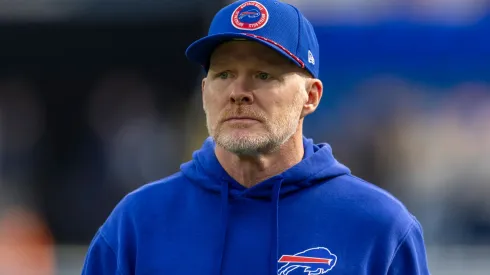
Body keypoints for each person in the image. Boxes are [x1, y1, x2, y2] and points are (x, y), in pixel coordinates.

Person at [81, 0, 431, 274]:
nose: (239, 92)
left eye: (263, 75)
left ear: (311, 96)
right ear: (204, 92)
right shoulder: (137, 224)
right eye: (224, 74)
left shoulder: (380, 229)